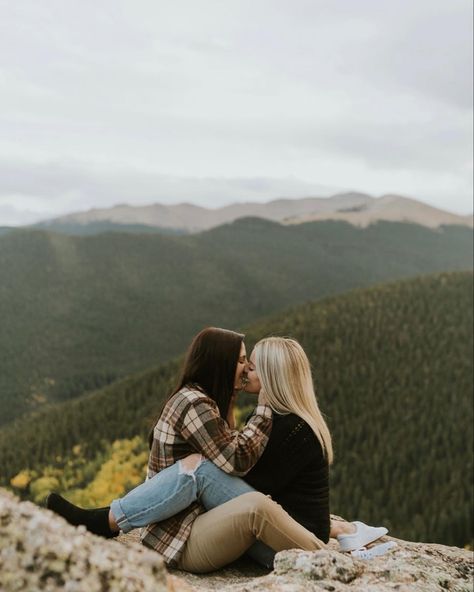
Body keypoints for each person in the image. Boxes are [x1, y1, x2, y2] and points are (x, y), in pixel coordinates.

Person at [47, 329, 387, 572]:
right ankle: (105, 518)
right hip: (274, 534)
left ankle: (104, 519)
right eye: (244, 363)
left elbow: (247, 479)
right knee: (206, 471)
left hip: (289, 543)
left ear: (270, 375)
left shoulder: (291, 428)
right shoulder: (279, 420)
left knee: (216, 478)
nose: (246, 371)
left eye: (252, 366)